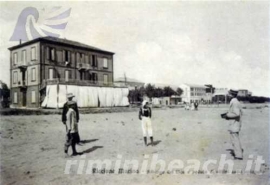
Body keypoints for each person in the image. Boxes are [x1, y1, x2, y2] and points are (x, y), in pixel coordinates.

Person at [224, 89, 243, 160]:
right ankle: (238, 154)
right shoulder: (236, 101)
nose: (227, 95)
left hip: (234, 124)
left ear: (231, 95)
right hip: (235, 123)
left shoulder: (234, 102)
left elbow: (237, 114)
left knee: (235, 139)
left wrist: (227, 115)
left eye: (229, 94)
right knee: (235, 139)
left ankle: (238, 155)